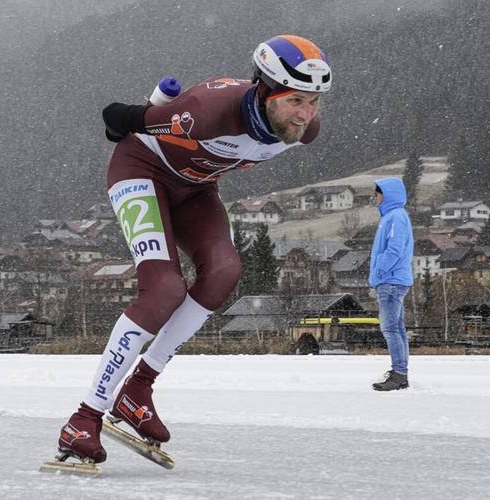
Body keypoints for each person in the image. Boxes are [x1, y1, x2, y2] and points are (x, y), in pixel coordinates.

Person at [56, 35, 332, 464]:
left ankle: (138, 388)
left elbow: (287, 128)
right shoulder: (204, 112)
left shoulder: (303, 130)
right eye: (297, 101)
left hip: (195, 189)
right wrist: (122, 125)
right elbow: (118, 118)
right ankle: (83, 418)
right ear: (266, 91)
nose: (306, 115)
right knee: (164, 289)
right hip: (140, 172)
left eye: (314, 102)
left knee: (224, 271)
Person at [368, 179, 414, 391]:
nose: (375, 197)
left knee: (390, 329)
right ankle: (400, 373)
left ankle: (399, 374)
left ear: (387, 194)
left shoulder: (395, 217)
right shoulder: (392, 217)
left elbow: (394, 250)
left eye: (378, 194)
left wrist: (378, 272)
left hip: (391, 281)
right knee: (397, 328)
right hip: (393, 280)